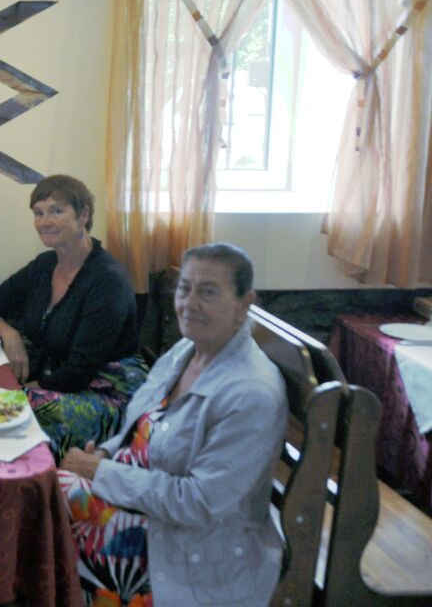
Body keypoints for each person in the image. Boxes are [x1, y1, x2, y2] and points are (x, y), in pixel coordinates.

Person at [59, 243, 287, 606]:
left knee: (44, 517)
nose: (189, 304)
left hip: (186, 548)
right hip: (141, 505)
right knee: (39, 495)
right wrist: (105, 452)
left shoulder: (251, 393)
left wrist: (100, 472)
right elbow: (141, 426)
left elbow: (199, 503)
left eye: (208, 292)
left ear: (245, 303)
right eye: (184, 289)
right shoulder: (187, 351)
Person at [0, 174, 146, 459]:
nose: (44, 221)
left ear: (83, 215)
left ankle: (27, 483)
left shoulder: (107, 280)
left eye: (56, 211)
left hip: (107, 393)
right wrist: (9, 334)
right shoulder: (45, 265)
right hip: (57, 380)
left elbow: (78, 372)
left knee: (4, 410)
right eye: (38, 213)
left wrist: (18, 390)